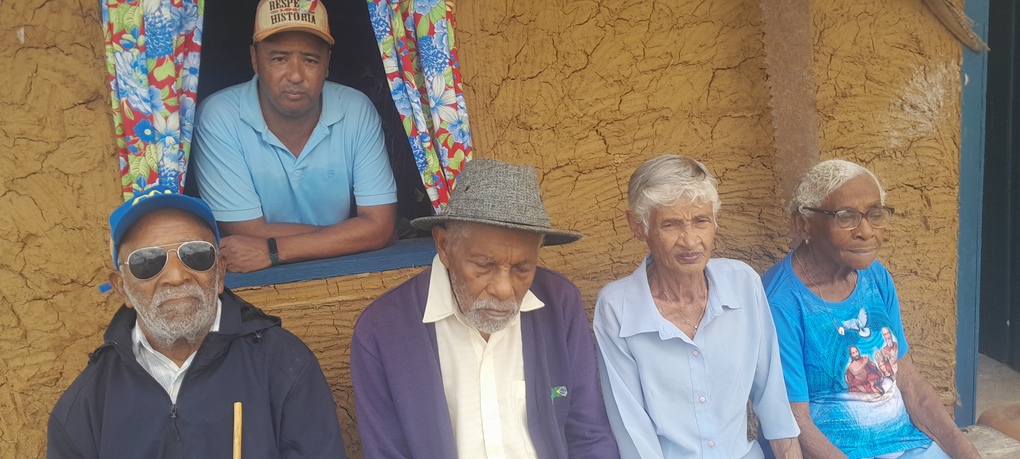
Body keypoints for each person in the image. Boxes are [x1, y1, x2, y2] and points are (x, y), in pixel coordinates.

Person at [349, 158, 619, 458]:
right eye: (484, 265)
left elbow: (588, 434)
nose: (504, 289)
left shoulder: (560, 303)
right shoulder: (382, 330)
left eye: (522, 268)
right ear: (444, 245)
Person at [47, 187, 346, 458]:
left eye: (196, 255)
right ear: (122, 287)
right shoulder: (87, 404)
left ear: (220, 273)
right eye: (147, 262)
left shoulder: (283, 366)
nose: (177, 276)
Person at [763, 159, 979, 458]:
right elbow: (795, 421)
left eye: (875, 215)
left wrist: (965, 451)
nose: (866, 231)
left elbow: (908, 380)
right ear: (804, 224)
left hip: (906, 443)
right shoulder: (781, 301)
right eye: (846, 217)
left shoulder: (876, 277)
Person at [594, 154, 802, 459]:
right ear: (639, 227)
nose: (690, 241)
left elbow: (773, 400)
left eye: (701, 220)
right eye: (671, 224)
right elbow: (634, 434)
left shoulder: (743, 284)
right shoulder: (617, 308)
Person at [193, 0, 397, 273]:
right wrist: (358, 233)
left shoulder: (355, 109)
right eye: (279, 59)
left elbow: (380, 226)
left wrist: (273, 250)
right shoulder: (219, 116)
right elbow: (245, 230)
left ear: (327, 63)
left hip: (346, 271)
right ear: (254, 59)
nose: (296, 76)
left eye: (310, 60)